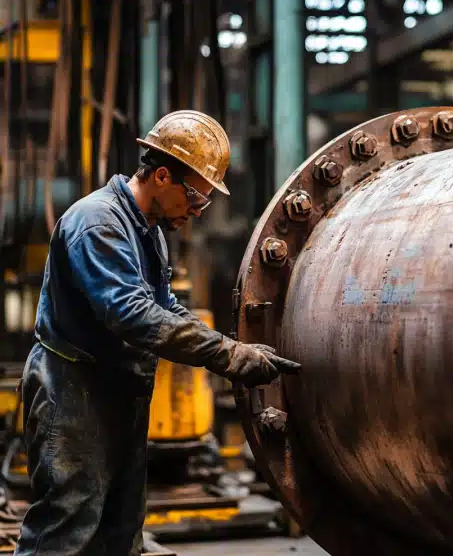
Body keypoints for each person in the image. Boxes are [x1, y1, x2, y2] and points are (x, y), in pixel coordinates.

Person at [14, 111, 301, 555]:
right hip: (73, 392)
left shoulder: (148, 232)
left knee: (120, 530)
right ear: (162, 175)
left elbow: (165, 307)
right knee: (67, 529)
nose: (197, 211)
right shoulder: (98, 223)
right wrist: (226, 355)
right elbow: (132, 314)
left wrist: (233, 346)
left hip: (115, 391)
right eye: (195, 198)